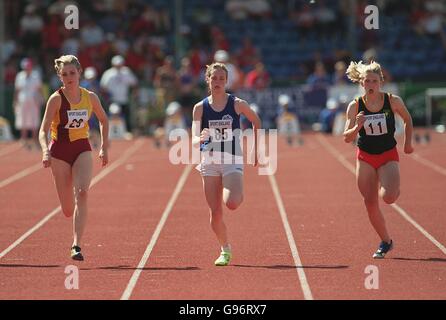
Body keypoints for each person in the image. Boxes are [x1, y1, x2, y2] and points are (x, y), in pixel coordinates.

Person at [39, 55, 109, 261]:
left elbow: (104, 120)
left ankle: (76, 245)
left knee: (83, 193)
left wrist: (104, 147)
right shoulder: (56, 99)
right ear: (60, 77)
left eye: (72, 73)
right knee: (68, 209)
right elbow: (42, 130)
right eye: (64, 74)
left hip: (82, 148)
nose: (69, 77)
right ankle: (70, 212)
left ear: (79, 73)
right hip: (59, 152)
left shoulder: (91, 97)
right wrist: (45, 150)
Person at [192, 63, 261, 266]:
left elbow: (256, 121)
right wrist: (201, 137)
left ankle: (235, 187)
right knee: (215, 212)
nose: (218, 82)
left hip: (231, 160)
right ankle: (225, 249)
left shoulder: (237, 104)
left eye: (222, 79)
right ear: (208, 80)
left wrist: (255, 149)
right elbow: (194, 139)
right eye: (214, 78)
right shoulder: (200, 108)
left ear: (227, 81)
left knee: (231, 203)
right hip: (210, 162)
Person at [343, 60, 414, 259]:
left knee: (389, 197)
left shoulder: (393, 101)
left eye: (374, 81)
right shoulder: (355, 105)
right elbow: (346, 137)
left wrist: (407, 144)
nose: (370, 85)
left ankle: (392, 186)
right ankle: (385, 241)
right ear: (362, 83)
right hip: (365, 156)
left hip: (387, 154)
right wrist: (357, 127)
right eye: (367, 81)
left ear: (380, 82)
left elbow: (407, 119)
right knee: (370, 202)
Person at [13, 58, 43, 149]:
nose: (27, 69)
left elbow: (39, 88)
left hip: (34, 101)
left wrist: (42, 98)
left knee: (34, 119)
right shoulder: (19, 76)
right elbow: (17, 90)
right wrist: (15, 101)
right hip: (23, 101)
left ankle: (34, 139)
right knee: (23, 119)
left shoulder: (36, 75)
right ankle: (24, 139)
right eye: (26, 67)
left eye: (28, 67)